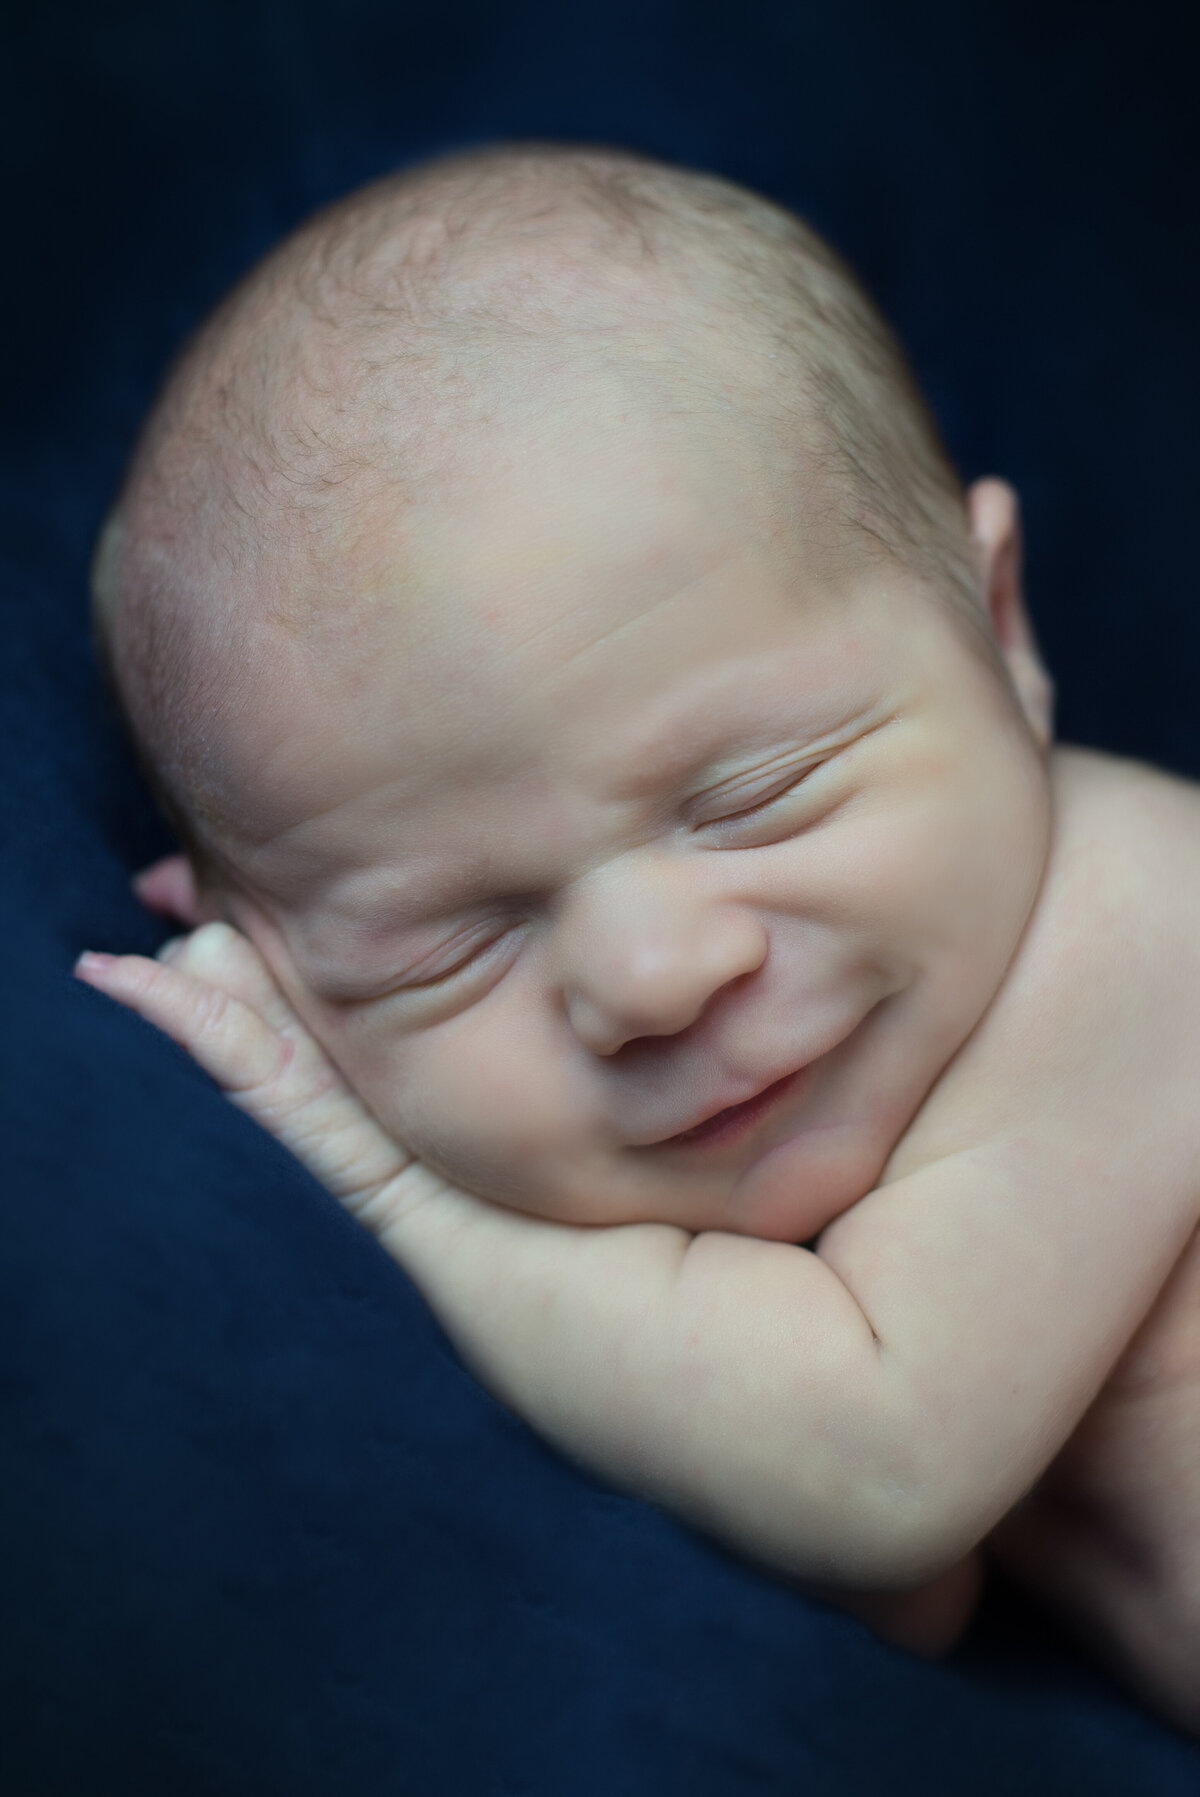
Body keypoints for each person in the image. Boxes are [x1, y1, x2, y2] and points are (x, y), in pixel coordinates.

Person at [75, 142, 1200, 1732]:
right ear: (266, 956)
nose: (657, 977)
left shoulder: (1141, 916)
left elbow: (885, 1469)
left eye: (758, 794)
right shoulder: (819, 1219)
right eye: (448, 943)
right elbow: (899, 1589)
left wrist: (392, 1187)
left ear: (998, 630)